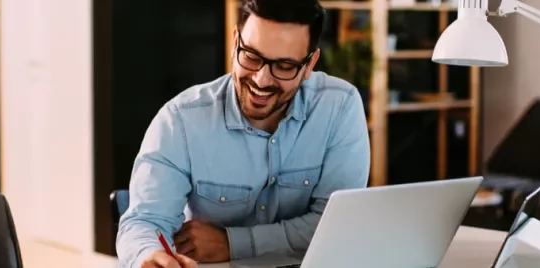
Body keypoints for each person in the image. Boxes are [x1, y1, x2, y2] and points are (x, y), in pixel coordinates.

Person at [116, 0, 371, 267]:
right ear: (235, 41)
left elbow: (334, 224)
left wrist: (233, 243)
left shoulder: (340, 106)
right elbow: (145, 222)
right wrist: (148, 255)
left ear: (309, 65)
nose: (261, 80)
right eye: (251, 56)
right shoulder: (181, 119)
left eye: (284, 66)